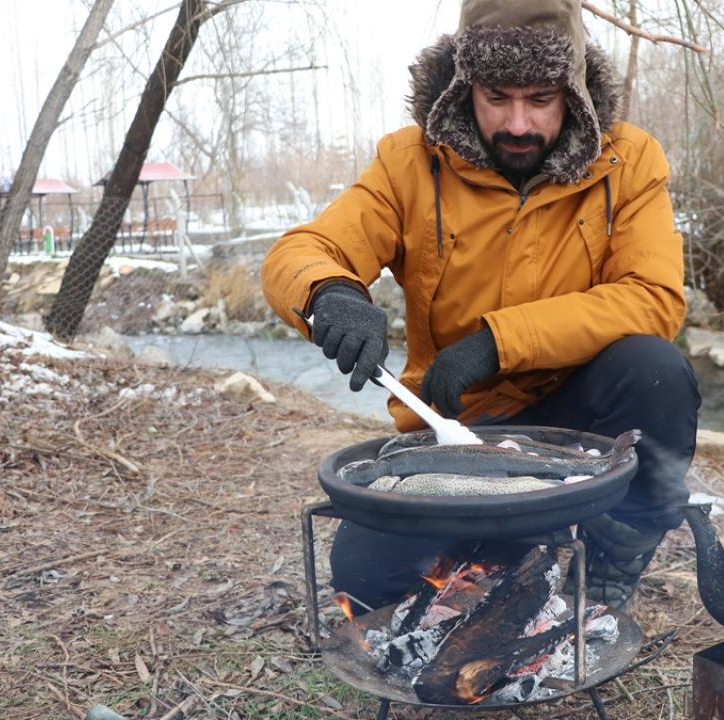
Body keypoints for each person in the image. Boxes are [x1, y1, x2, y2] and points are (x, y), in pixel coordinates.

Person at [261, 0, 699, 610]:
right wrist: (329, 291)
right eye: (497, 97)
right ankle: (514, 542)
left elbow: (652, 299)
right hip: (456, 429)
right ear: (463, 87)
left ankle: (610, 561)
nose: (518, 123)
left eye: (541, 99)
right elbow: (304, 250)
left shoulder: (628, 160)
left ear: (574, 92)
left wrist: (498, 343)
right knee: (367, 583)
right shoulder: (409, 162)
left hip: (580, 416)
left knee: (656, 371)